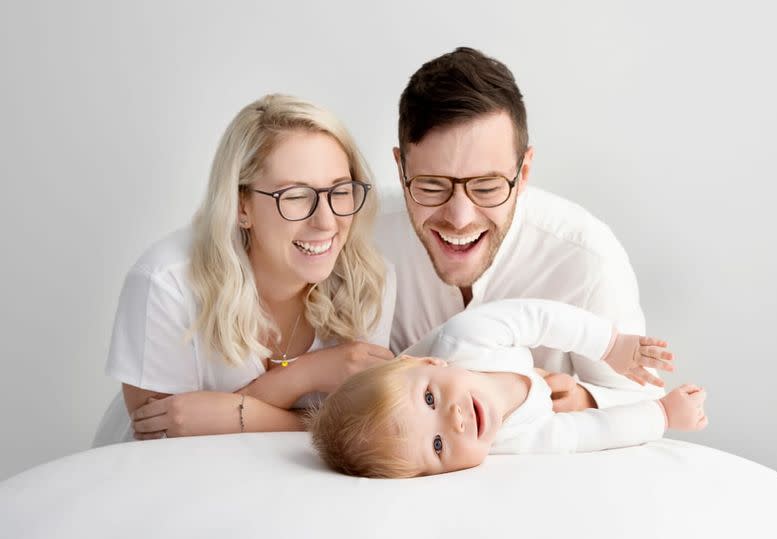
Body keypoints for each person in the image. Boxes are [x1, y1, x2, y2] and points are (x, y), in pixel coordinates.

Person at [93, 94, 395, 446]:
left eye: (340, 191)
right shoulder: (165, 283)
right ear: (241, 207)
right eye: (296, 196)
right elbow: (164, 441)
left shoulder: (369, 280)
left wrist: (239, 412)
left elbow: (363, 430)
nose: (326, 221)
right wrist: (306, 379)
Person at [377, 47, 660, 412]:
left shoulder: (588, 260)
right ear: (401, 170)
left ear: (523, 173)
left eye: (487, 187)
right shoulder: (358, 236)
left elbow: (641, 404)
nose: (460, 218)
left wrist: (585, 400)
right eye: (432, 186)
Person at [309, 299, 708, 478]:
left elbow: (539, 318)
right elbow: (590, 434)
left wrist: (610, 345)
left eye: (430, 398)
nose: (454, 420)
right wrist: (663, 414)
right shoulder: (509, 442)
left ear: (430, 362)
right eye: (437, 446)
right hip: (543, 389)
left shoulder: (469, 337)